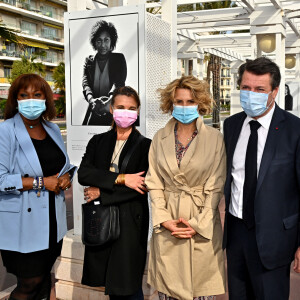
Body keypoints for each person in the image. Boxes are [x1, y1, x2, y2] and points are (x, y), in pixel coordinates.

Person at [223, 57, 300, 300]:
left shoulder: (294, 130)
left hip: (275, 237)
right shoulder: (232, 125)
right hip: (236, 233)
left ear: (274, 92)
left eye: (259, 89)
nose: (251, 94)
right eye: (246, 88)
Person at [145, 76, 226, 300]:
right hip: (168, 221)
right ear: (170, 104)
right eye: (179, 102)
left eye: (190, 102)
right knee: (168, 290)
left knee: (200, 291)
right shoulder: (158, 138)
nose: (184, 107)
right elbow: (154, 182)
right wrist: (163, 219)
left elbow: (216, 185)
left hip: (201, 223)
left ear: (200, 104)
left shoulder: (215, 139)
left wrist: (198, 224)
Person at [0, 74, 76, 300]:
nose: (30, 100)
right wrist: (42, 182)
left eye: (37, 94)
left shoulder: (51, 128)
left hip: (52, 222)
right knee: (29, 284)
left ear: (46, 99)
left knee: (43, 281)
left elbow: (63, 165)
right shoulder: (6, 131)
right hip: (23, 224)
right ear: (15, 99)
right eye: (24, 95)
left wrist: (66, 177)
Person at [78, 86, 151, 299]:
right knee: (109, 281)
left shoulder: (146, 145)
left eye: (131, 108)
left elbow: (142, 186)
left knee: (127, 284)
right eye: (120, 107)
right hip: (102, 219)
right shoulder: (98, 141)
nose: (125, 112)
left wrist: (102, 192)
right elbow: (84, 174)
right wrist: (121, 179)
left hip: (130, 221)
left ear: (137, 112)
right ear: (111, 109)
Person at [82, 19, 127, 126]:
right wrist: (91, 100)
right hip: (94, 108)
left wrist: (108, 102)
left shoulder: (119, 59)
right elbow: (85, 84)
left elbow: (119, 83)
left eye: (106, 40)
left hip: (112, 107)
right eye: (99, 40)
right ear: (94, 42)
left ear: (112, 41)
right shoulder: (89, 61)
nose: (103, 45)